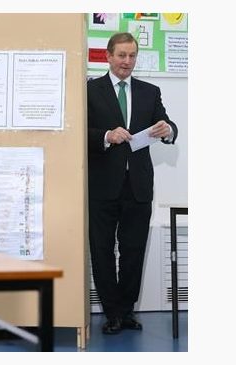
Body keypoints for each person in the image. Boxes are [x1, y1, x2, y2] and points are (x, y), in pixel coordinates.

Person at [87, 32, 178, 335]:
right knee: (101, 250)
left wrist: (167, 130)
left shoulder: (149, 91)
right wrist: (105, 136)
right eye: (122, 55)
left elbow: (167, 125)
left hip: (138, 186)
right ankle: (111, 313)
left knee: (133, 250)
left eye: (132, 56)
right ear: (108, 56)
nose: (128, 61)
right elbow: (79, 132)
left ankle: (126, 311)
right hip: (102, 186)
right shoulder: (90, 90)